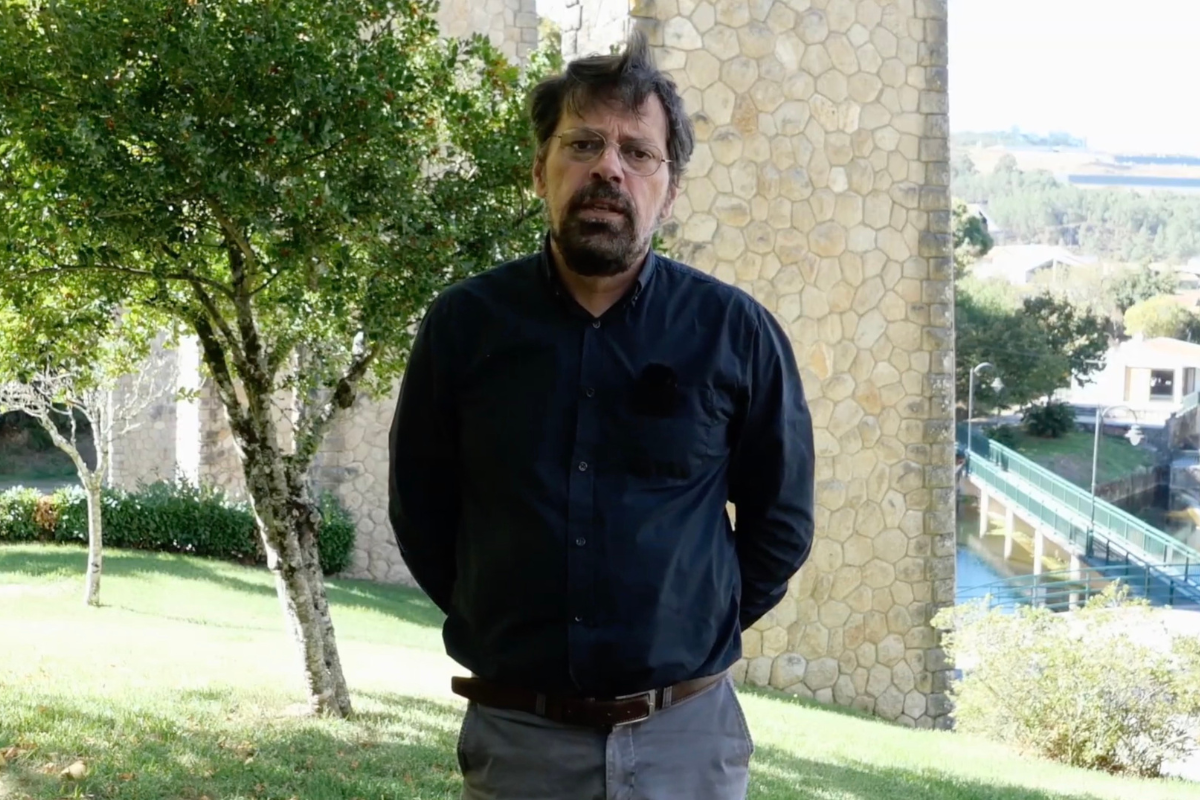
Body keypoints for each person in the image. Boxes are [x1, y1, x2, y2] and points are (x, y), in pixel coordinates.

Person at [388, 31, 815, 800]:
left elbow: (780, 523)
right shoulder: (465, 326)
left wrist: (688, 627)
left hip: (687, 738)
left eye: (637, 152)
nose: (608, 169)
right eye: (583, 144)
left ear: (669, 189)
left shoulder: (735, 333)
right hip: (520, 740)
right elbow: (421, 510)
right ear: (539, 171)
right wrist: (512, 626)